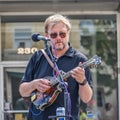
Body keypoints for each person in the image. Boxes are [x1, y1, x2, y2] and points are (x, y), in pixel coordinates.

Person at [19, 14, 93, 120]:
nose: (58, 38)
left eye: (62, 34)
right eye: (54, 35)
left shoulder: (79, 60)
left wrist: (82, 81)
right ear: (47, 35)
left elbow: (86, 98)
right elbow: (22, 91)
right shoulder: (38, 57)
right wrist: (34, 84)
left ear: (68, 33)